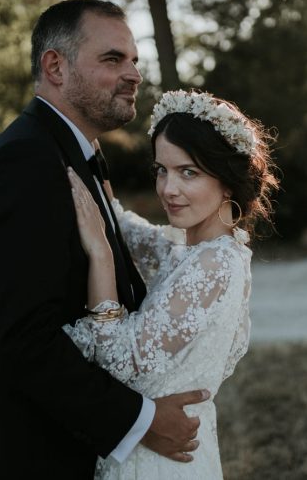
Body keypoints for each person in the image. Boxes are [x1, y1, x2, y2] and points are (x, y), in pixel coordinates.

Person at [0, 0, 210, 479]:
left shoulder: (70, 154)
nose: (133, 74)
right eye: (113, 59)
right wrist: (142, 420)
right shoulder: (24, 163)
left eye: (134, 60)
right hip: (23, 457)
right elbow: (24, 340)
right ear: (55, 66)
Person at [64, 89, 278, 478]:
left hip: (160, 465)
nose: (168, 189)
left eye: (188, 172)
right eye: (161, 169)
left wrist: (101, 254)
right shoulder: (194, 250)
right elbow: (133, 232)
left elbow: (120, 363)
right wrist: (100, 188)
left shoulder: (214, 263)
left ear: (227, 181)